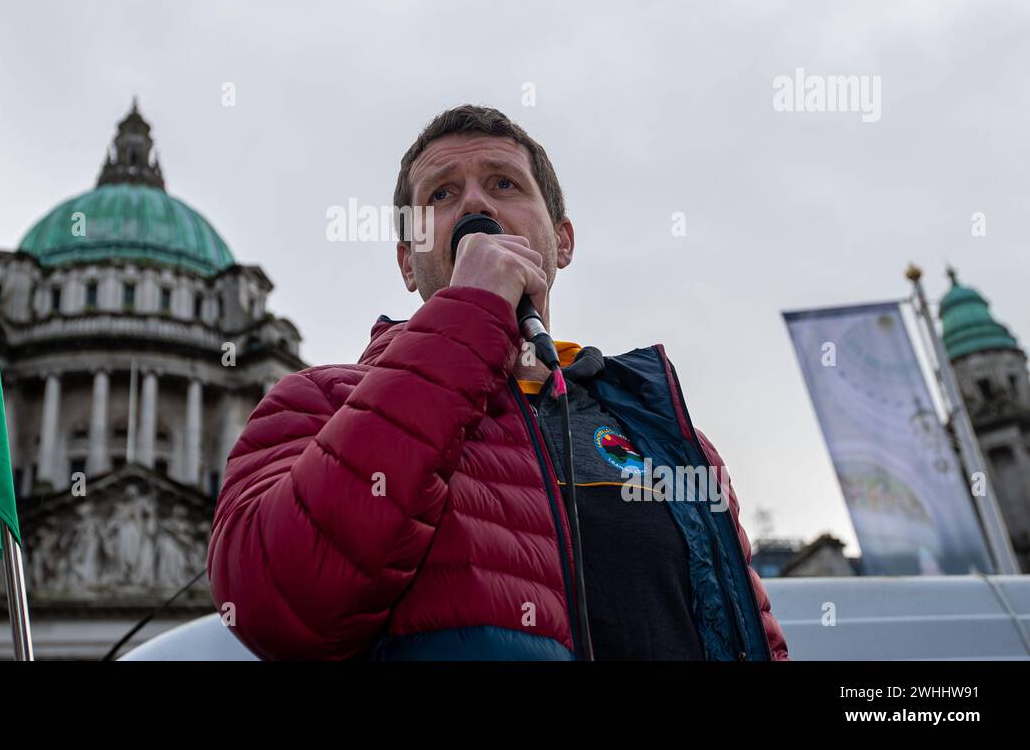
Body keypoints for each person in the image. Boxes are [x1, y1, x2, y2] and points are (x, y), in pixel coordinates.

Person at [207, 104, 790, 661]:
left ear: (562, 241)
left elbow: (754, 634)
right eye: (441, 194)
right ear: (408, 262)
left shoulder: (667, 434)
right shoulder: (317, 405)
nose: (474, 206)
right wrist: (471, 313)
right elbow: (277, 601)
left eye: (504, 184)